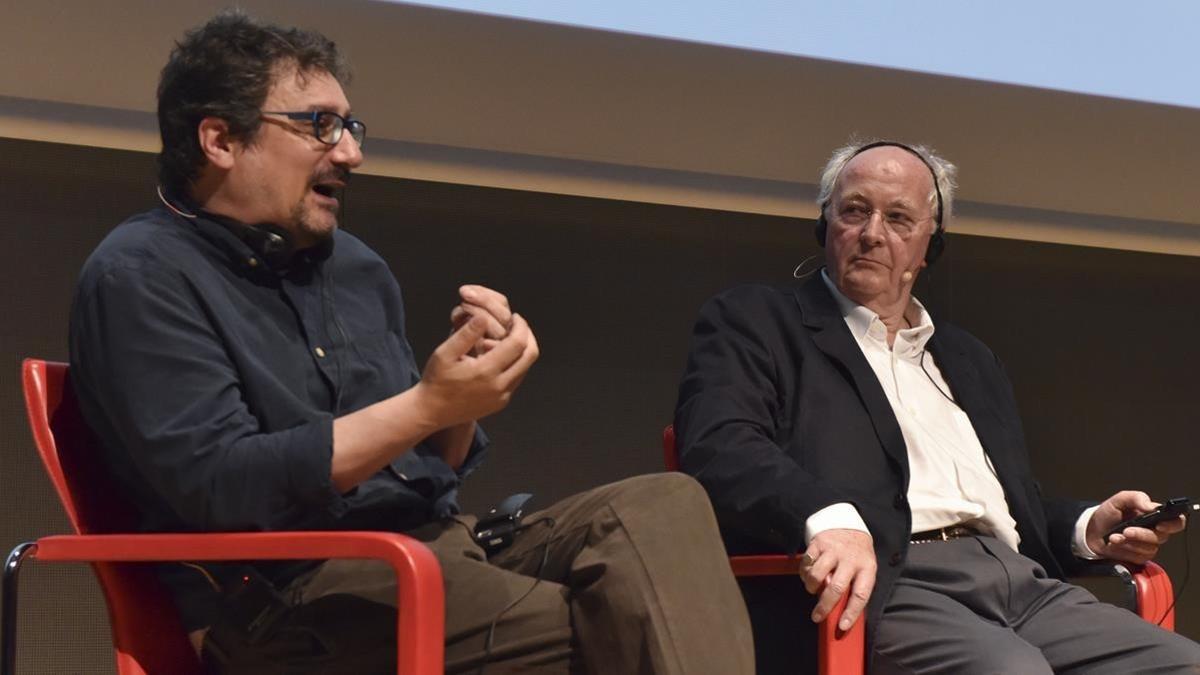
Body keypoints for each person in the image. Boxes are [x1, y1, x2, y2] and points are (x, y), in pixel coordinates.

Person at [68, 11, 754, 674]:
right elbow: (222, 487)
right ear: (220, 140)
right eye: (320, 126)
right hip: (280, 600)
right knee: (611, 620)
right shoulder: (141, 275)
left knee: (663, 504)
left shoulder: (355, 267)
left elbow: (431, 465)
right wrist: (428, 404)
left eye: (350, 126)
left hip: (432, 549)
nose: (352, 152)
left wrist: (462, 395)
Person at [674, 139, 1200, 674]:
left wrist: (1087, 527)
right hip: (889, 580)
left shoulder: (969, 357)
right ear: (824, 224)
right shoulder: (758, 321)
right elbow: (719, 444)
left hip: (1021, 583)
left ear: (930, 246)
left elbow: (1003, 500)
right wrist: (824, 515)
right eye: (854, 211)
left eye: (898, 217)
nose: (872, 233)